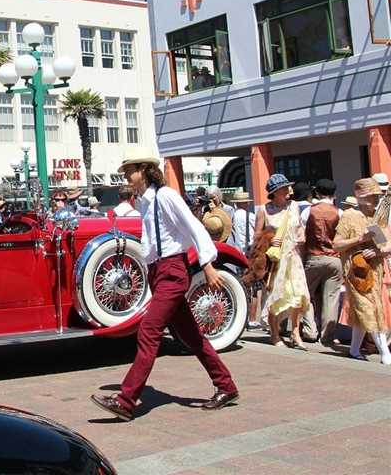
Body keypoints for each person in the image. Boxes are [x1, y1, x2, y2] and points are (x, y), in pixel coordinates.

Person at [90, 149, 238, 421]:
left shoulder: (166, 196)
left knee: (148, 331)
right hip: (159, 272)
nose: (127, 177)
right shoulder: (144, 202)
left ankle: (126, 400)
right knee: (192, 337)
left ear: (144, 170)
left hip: (172, 271)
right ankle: (226, 387)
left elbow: (194, 227)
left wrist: (207, 264)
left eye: (130, 171)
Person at [332, 177, 391, 364]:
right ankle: (385, 353)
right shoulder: (350, 216)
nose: (375, 200)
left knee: (367, 310)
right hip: (355, 272)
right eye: (372, 196)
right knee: (369, 309)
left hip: (375, 271)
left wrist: (377, 251)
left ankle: (354, 350)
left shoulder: (378, 218)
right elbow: (337, 244)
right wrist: (360, 239)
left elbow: (387, 244)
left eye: (377, 196)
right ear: (362, 197)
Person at [255, 174, 310, 350]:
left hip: (293, 258)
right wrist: (269, 239)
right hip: (275, 261)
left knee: (298, 294)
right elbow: (256, 238)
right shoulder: (264, 210)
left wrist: (302, 236)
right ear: (276, 191)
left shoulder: (294, 207)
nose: (289, 190)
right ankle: (274, 333)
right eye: (285, 188)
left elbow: (300, 228)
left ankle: (295, 333)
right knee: (275, 296)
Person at [302, 178, 343, 346]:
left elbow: (302, 235)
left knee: (306, 294)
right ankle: (327, 336)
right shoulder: (339, 213)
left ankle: (310, 330)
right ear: (334, 194)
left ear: (316, 193)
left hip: (313, 257)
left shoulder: (308, 212)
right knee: (331, 298)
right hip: (334, 259)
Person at [229, 191, 260, 328]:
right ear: (246, 203)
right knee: (253, 289)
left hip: (236, 255)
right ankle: (252, 319)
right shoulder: (251, 216)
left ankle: (241, 318)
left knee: (240, 287)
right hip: (250, 256)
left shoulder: (232, 217)